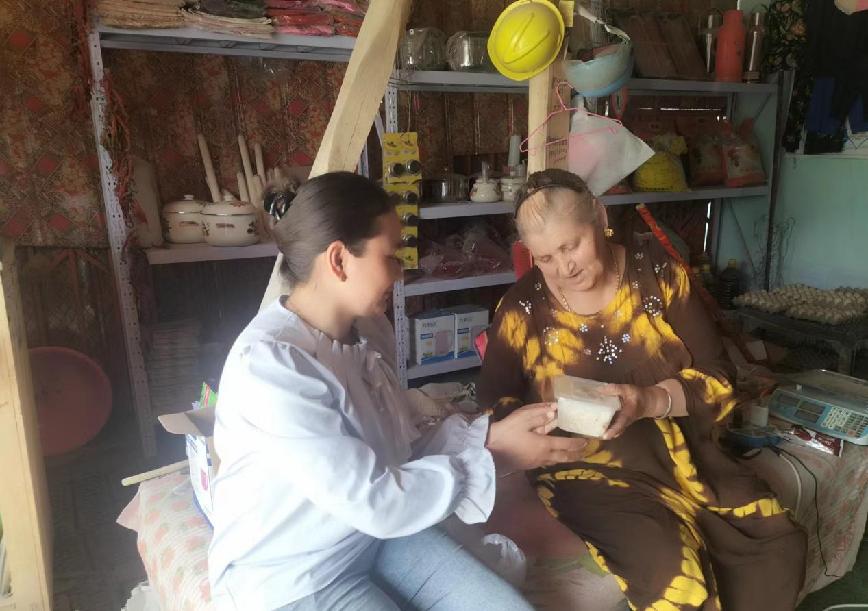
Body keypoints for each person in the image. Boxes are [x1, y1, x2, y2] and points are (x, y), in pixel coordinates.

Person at [207, 171, 587, 611]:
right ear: (339, 260)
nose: (400, 271)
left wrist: (491, 436)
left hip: (368, 540)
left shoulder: (368, 331)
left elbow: (398, 451)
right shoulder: (272, 366)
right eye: (390, 256)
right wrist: (498, 457)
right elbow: (376, 500)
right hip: (292, 576)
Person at [478, 169, 807, 611]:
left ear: (599, 216)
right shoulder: (521, 308)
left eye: (571, 246)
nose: (563, 268)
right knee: (674, 575)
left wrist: (649, 400)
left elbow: (720, 377)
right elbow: (494, 406)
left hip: (680, 454)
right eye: (545, 257)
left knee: (775, 540)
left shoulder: (658, 275)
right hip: (585, 469)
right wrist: (533, 428)